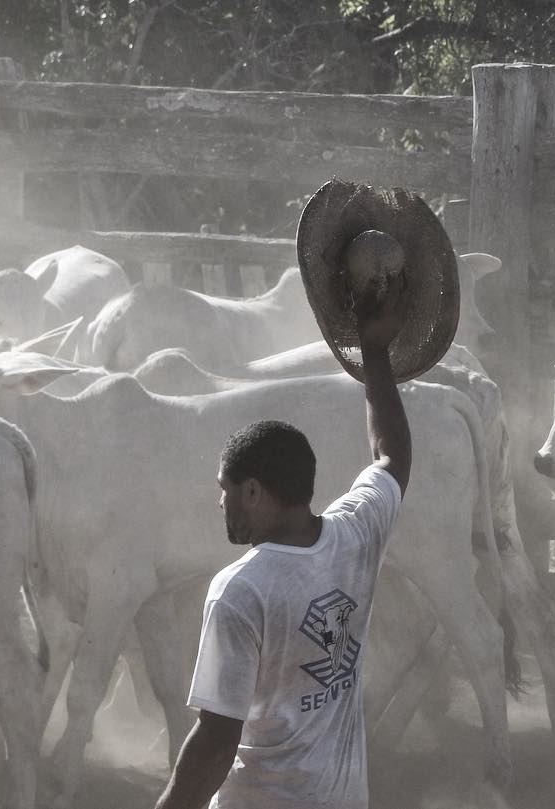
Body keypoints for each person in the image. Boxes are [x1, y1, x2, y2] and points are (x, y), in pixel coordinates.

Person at [154, 270, 411, 809]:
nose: (218, 502)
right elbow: (392, 454)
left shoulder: (240, 591)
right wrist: (374, 349)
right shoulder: (357, 533)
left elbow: (217, 740)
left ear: (252, 491)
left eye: (223, 490)